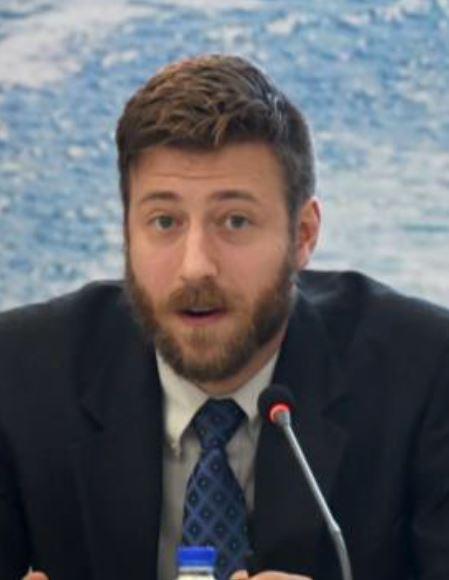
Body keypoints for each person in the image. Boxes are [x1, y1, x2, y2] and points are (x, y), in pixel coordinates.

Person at [1, 54, 449, 580]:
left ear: (303, 234)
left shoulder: (426, 373)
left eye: (235, 221)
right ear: (126, 231)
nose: (196, 267)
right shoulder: (18, 377)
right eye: (164, 222)